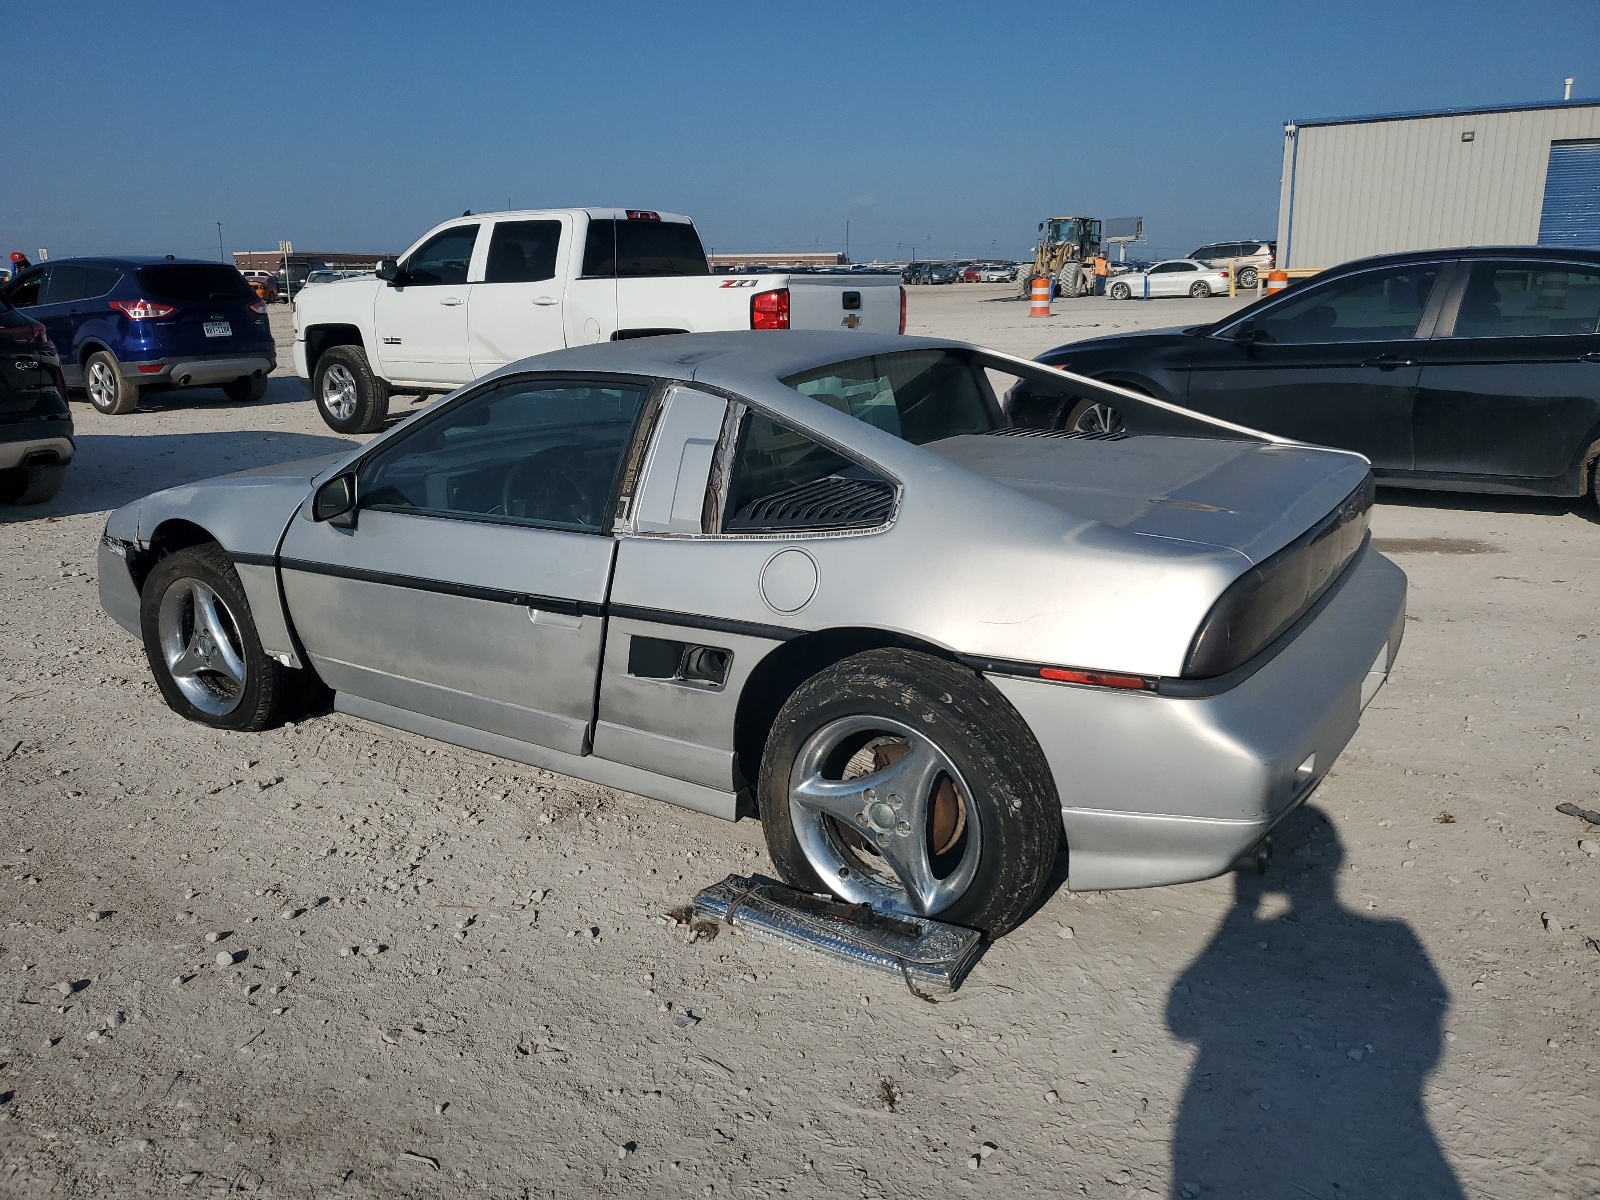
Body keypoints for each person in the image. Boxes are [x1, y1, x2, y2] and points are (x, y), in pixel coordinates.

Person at [1167, 807, 1463, 1198]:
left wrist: (1241, 914)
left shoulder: (1392, 936)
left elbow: (1179, 1020)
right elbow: (1429, 1037)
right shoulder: (1397, 936)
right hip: (1398, 1132)